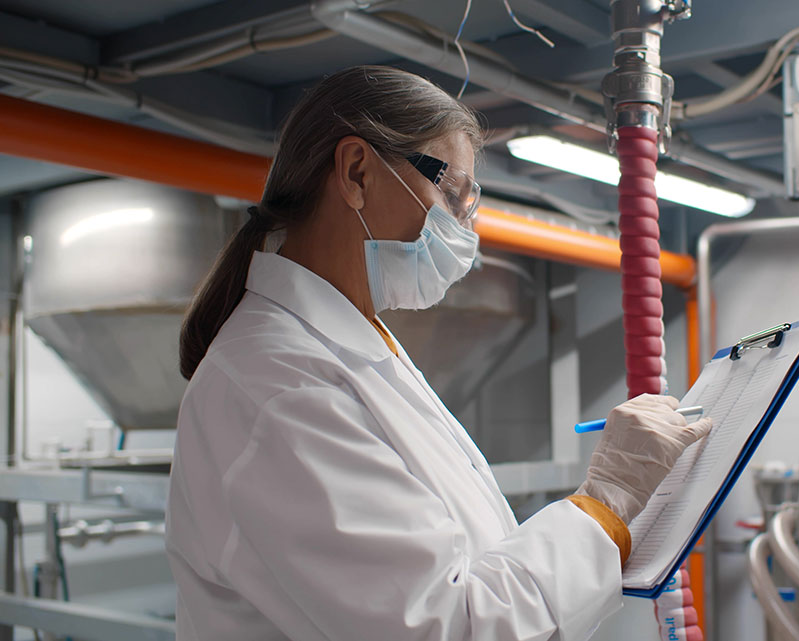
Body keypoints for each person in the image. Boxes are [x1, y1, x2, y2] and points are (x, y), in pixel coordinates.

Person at [166, 65, 711, 641]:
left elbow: (458, 572)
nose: (463, 231)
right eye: (450, 194)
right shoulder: (276, 385)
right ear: (356, 173)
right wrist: (607, 499)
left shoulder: (352, 346)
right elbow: (448, 626)